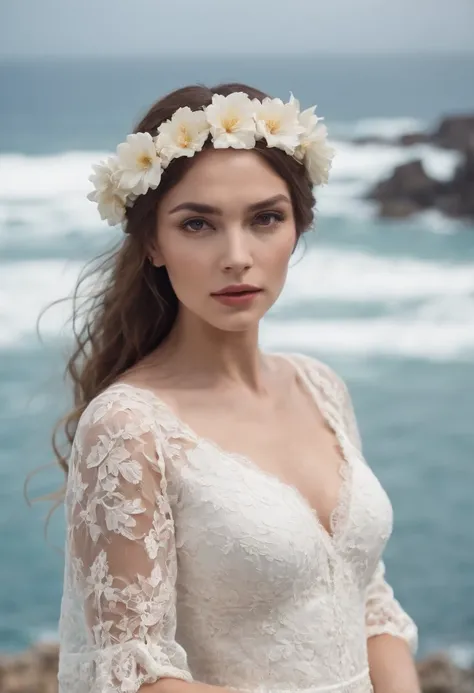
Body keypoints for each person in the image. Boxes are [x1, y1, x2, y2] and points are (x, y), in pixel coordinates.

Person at [55, 83, 420, 693]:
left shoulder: (320, 386)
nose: (237, 256)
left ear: (297, 228)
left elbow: (366, 595)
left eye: (265, 219)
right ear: (152, 243)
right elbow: (136, 676)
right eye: (197, 224)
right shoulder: (128, 427)